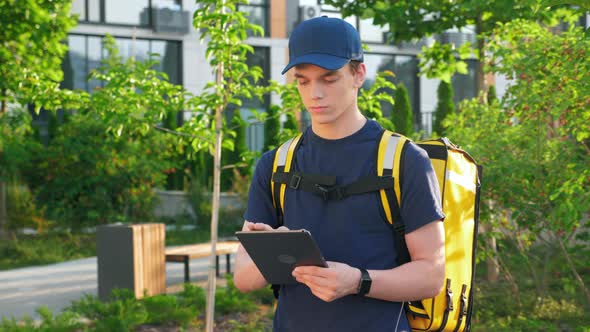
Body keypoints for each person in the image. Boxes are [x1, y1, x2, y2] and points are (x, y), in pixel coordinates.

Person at [234, 16, 445, 332]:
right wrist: (275, 250)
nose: (314, 94)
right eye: (303, 81)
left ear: (358, 73)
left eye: (329, 79)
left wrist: (358, 281)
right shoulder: (276, 165)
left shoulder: (404, 160)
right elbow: (243, 279)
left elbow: (432, 275)